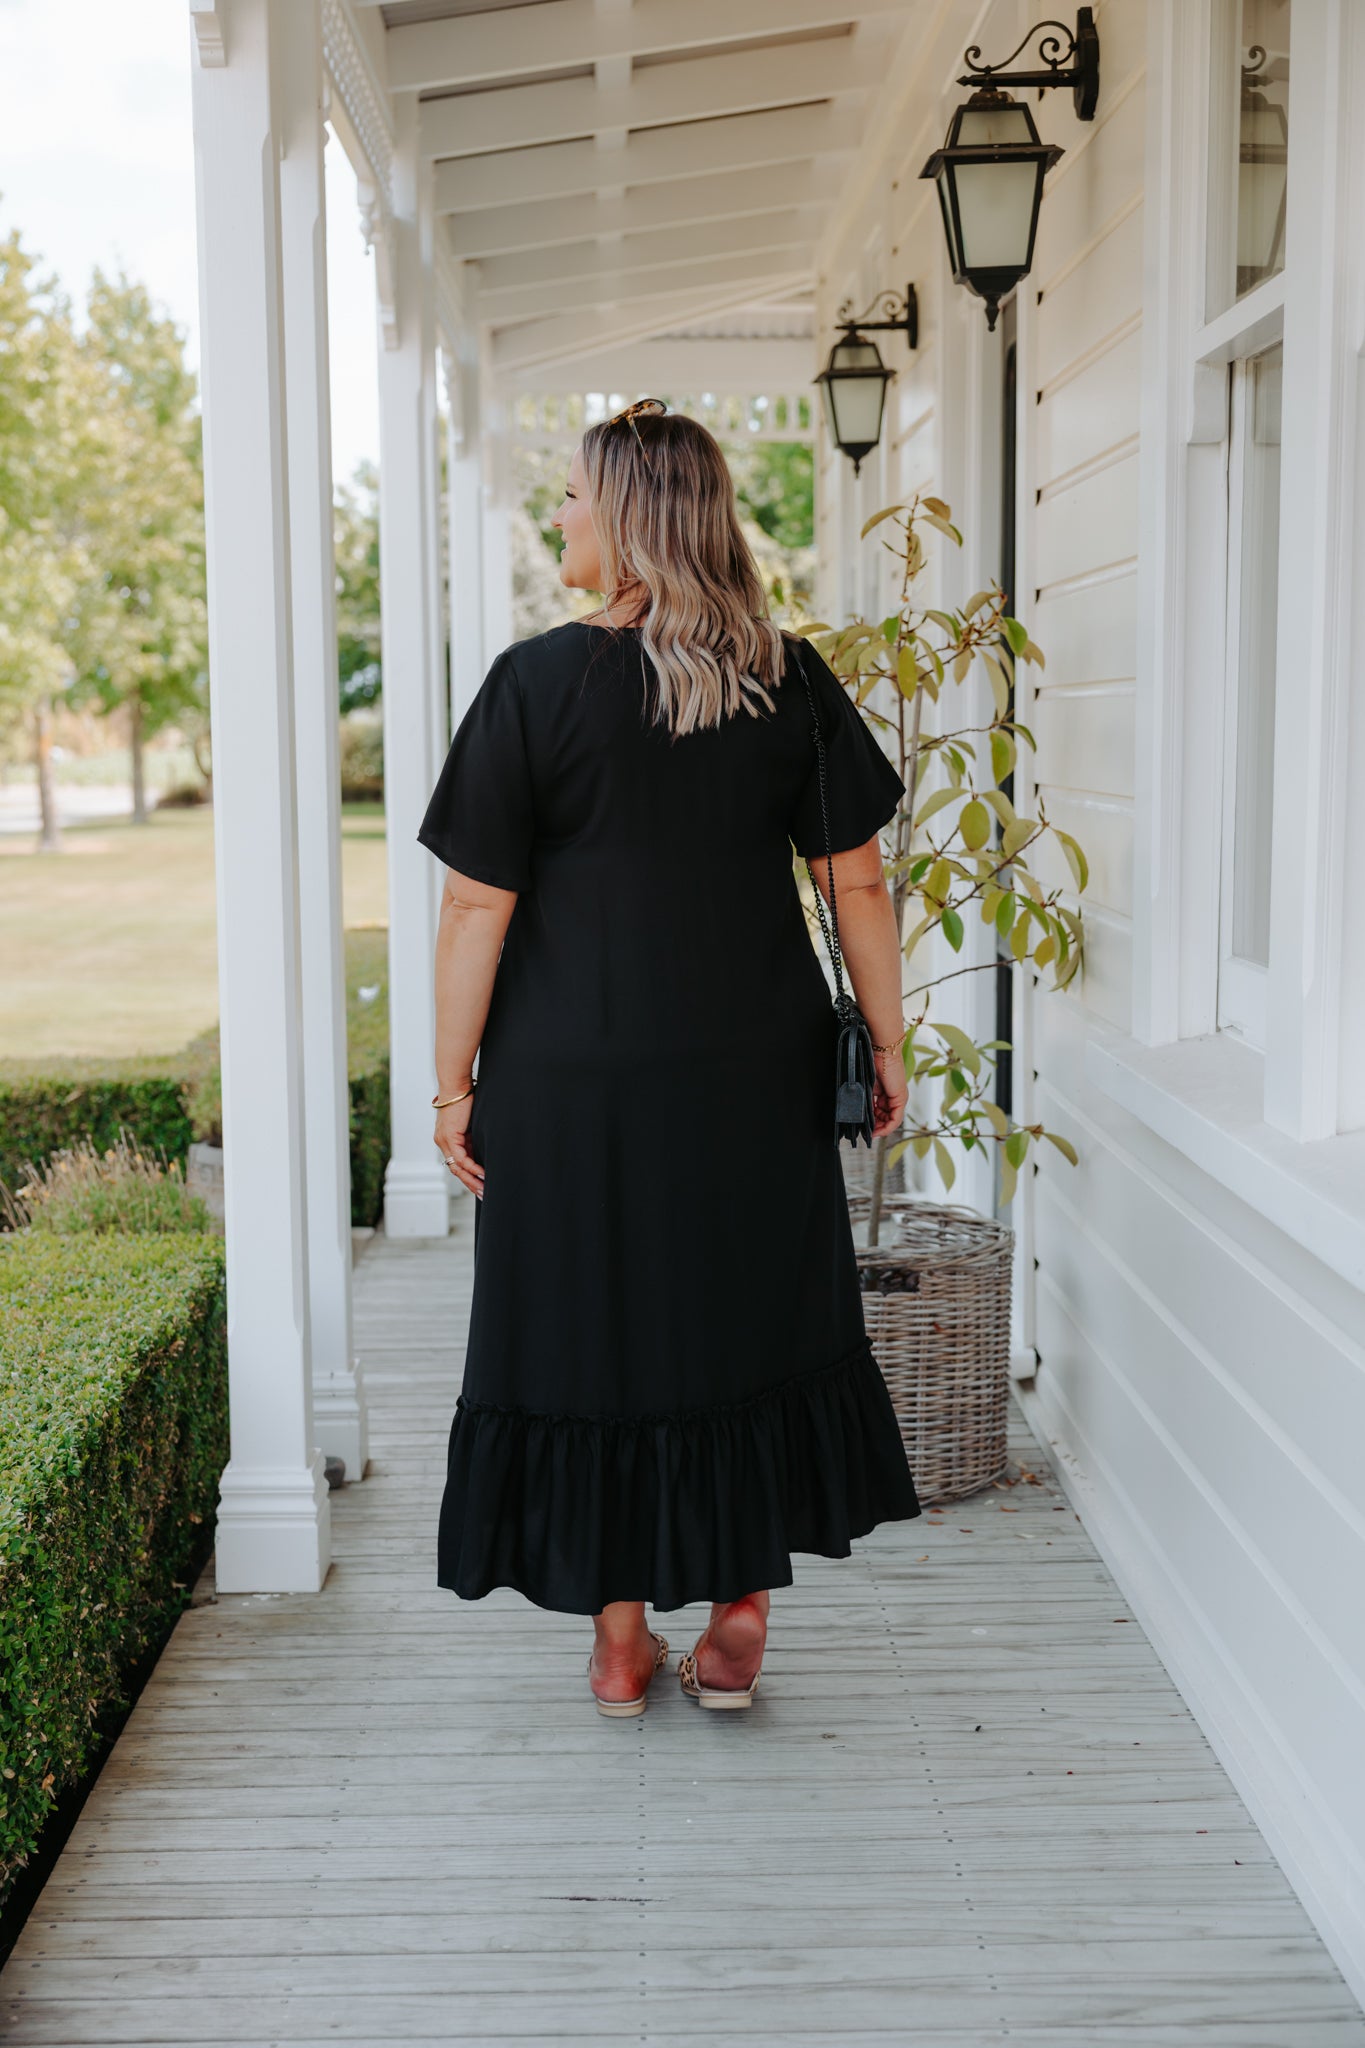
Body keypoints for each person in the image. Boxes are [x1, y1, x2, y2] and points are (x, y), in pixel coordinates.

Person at [418, 398, 922, 1719]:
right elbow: (857, 883)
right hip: (751, 1067)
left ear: (630, 519)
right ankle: (739, 1604)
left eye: (574, 495)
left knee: (591, 1328)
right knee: (744, 1314)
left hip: (570, 1079)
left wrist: (452, 1086)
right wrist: (886, 1041)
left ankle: (619, 1638)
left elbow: (474, 908)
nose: (559, 516)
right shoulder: (785, 678)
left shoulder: (535, 684)